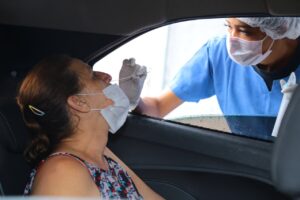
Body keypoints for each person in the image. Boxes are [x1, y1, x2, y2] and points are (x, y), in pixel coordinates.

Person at [120, 17, 300, 139]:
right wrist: (131, 101)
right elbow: (159, 107)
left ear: (283, 28)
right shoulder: (218, 55)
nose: (232, 40)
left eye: (244, 31)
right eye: (228, 27)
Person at [17, 55, 163, 199]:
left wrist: (127, 102)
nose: (108, 76)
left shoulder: (100, 157)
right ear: (79, 103)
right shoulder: (62, 173)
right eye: (93, 75)